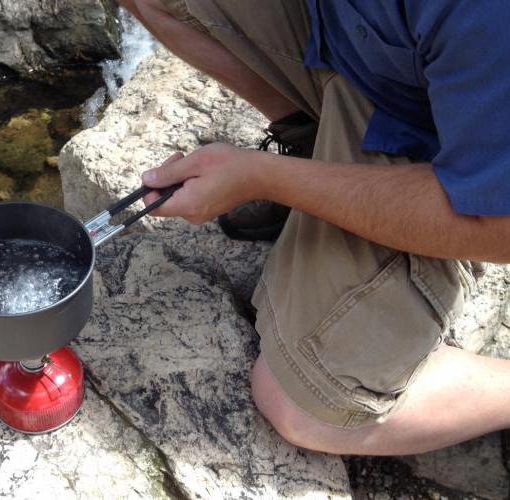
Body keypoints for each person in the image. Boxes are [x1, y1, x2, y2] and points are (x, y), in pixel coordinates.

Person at [118, 0, 510, 456]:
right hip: (376, 60)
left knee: (302, 407)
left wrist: (265, 178)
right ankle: (314, 145)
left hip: (444, 152)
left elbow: (496, 229)